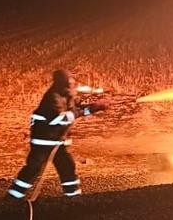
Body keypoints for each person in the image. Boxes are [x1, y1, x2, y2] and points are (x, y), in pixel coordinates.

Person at [7, 69, 108, 201]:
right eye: (70, 82)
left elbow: (76, 109)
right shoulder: (53, 97)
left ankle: (74, 198)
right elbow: (60, 118)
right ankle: (12, 197)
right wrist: (88, 110)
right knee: (33, 168)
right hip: (44, 142)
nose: (73, 84)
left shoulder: (65, 95)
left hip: (57, 142)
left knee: (67, 167)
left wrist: (95, 107)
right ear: (62, 83)